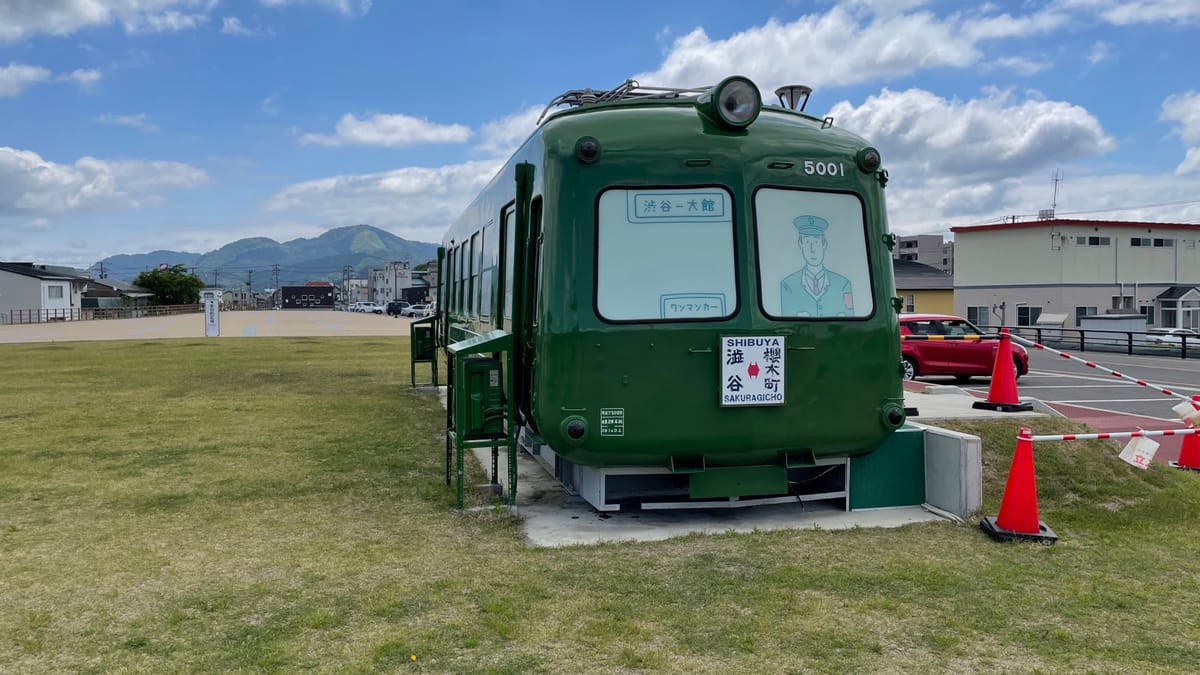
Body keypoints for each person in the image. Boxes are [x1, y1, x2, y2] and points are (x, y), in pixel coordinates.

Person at [779, 214, 854, 317]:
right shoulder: (787, 286)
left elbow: (849, 317)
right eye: (807, 242)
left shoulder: (844, 285)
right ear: (800, 244)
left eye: (816, 242)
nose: (812, 249)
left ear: (824, 244)